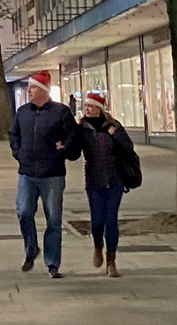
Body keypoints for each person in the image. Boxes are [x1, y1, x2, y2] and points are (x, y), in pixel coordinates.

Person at [9, 70, 79, 276]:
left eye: (31, 87)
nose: (28, 91)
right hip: (27, 173)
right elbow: (14, 134)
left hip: (52, 174)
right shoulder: (22, 113)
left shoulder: (61, 112)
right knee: (23, 211)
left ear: (42, 90)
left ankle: (52, 263)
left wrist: (64, 149)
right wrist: (18, 152)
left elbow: (73, 138)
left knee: (54, 219)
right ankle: (31, 249)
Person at [70, 89, 138, 277]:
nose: (87, 109)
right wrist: (63, 147)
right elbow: (75, 151)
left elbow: (128, 147)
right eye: (86, 106)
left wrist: (115, 134)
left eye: (91, 106)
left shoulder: (114, 125)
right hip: (94, 181)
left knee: (111, 219)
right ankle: (97, 246)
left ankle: (111, 261)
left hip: (115, 179)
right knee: (97, 220)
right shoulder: (82, 128)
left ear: (100, 109)